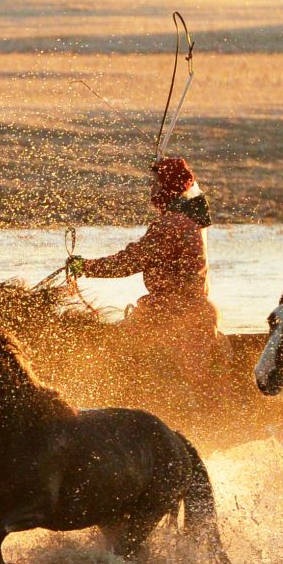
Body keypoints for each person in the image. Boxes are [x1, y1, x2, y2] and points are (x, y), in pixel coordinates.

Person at [63, 156, 223, 390]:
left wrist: (85, 267)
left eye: (156, 183)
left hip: (169, 312)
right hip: (194, 309)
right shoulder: (193, 219)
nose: (151, 188)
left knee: (112, 350)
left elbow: (130, 261)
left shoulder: (171, 225)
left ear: (167, 186)